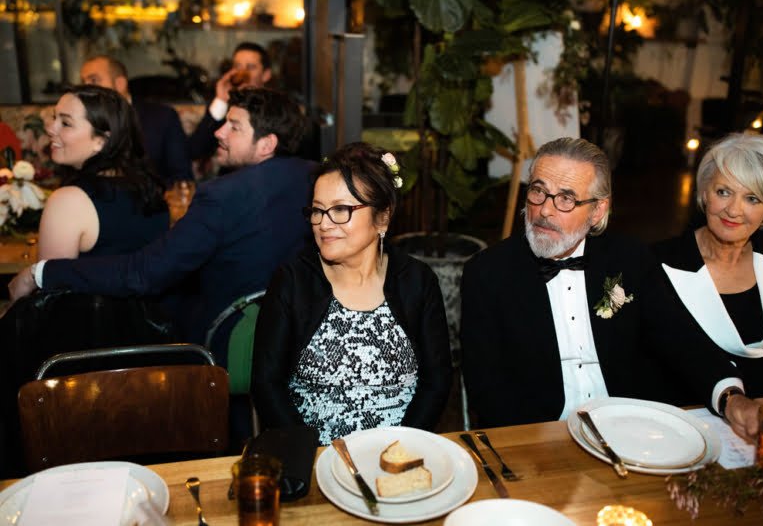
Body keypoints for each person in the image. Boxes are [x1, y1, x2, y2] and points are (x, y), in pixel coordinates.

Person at [461, 137, 760, 440]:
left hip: (629, 429)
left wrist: (730, 396)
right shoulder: (487, 273)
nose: (545, 210)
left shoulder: (629, 260)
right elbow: (487, 389)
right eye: (538, 191)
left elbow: (680, 338)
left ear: (597, 211)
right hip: (540, 436)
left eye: (566, 198)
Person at [9, 88, 314, 365]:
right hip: (299, 333)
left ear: (267, 144)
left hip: (226, 344)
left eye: (234, 127)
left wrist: (43, 272)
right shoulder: (313, 177)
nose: (218, 132)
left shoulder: (222, 195)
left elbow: (143, 274)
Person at [251, 142, 452, 445]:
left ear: (382, 217)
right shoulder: (293, 281)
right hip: (313, 452)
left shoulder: (417, 281)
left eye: (341, 210)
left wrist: (402, 445)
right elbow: (267, 385)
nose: (324, 224)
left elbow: (436, 382)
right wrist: (311, 452)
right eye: (317, 210)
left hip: (400, 449)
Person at [654, 133, 763, 400]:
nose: (733, 210)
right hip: (698, 413)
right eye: (723, 192)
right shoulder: (659, 265)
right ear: (704, 193)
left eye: (752, 199)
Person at [38, 85, 169, 260]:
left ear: (100, 141)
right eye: (54, 118)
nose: (50, 129)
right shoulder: (149, 190)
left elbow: (51, 276)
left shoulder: (68, 200)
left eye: (66, 123)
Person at [80, 55, 193, 185]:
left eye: (93, 80)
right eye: (83, 82)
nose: (85, 88)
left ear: (120, 84)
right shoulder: (80, 121)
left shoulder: (162, 117)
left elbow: (181, 176)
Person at [188, 42, 272, 162]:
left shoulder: (276, 109)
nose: (242, 73)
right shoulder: (228, 106)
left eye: (250, 67)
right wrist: (221, 100)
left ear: (266, 75)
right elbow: (195, 150)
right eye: (237, 66)